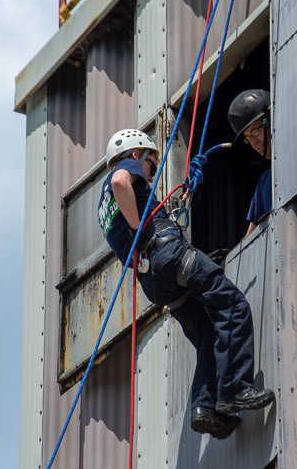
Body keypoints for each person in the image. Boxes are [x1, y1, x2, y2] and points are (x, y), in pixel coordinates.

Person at [97, 129, 275, 440]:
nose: (150, 174)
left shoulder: (103, 208)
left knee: (208, 331)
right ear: (137, 154)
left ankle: (204, 406)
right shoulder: (128, 167)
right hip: (167, 253)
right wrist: (140, 228)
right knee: (232, 305)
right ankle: (235, 388)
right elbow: (120, 181)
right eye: (152, 164)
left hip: (153, 282)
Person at [228, 89, 273, 237]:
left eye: (254, 131)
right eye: (248, 138)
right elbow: (250, 236)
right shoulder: (264, 181)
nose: (253, 142)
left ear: (270, 122)